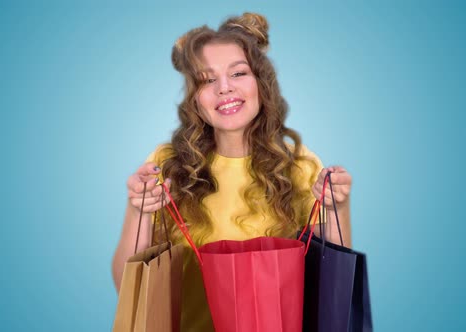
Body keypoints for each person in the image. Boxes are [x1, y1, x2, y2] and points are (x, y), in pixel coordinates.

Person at [112, 12, 353, 331]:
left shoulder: (300, 165)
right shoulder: (167, 163)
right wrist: (138, 210)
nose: (224, 88)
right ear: (194, 99)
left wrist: (337, 206)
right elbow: (127, 286)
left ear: (261, 83)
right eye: (207, 79)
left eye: (238, 73)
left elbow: (334, 286)